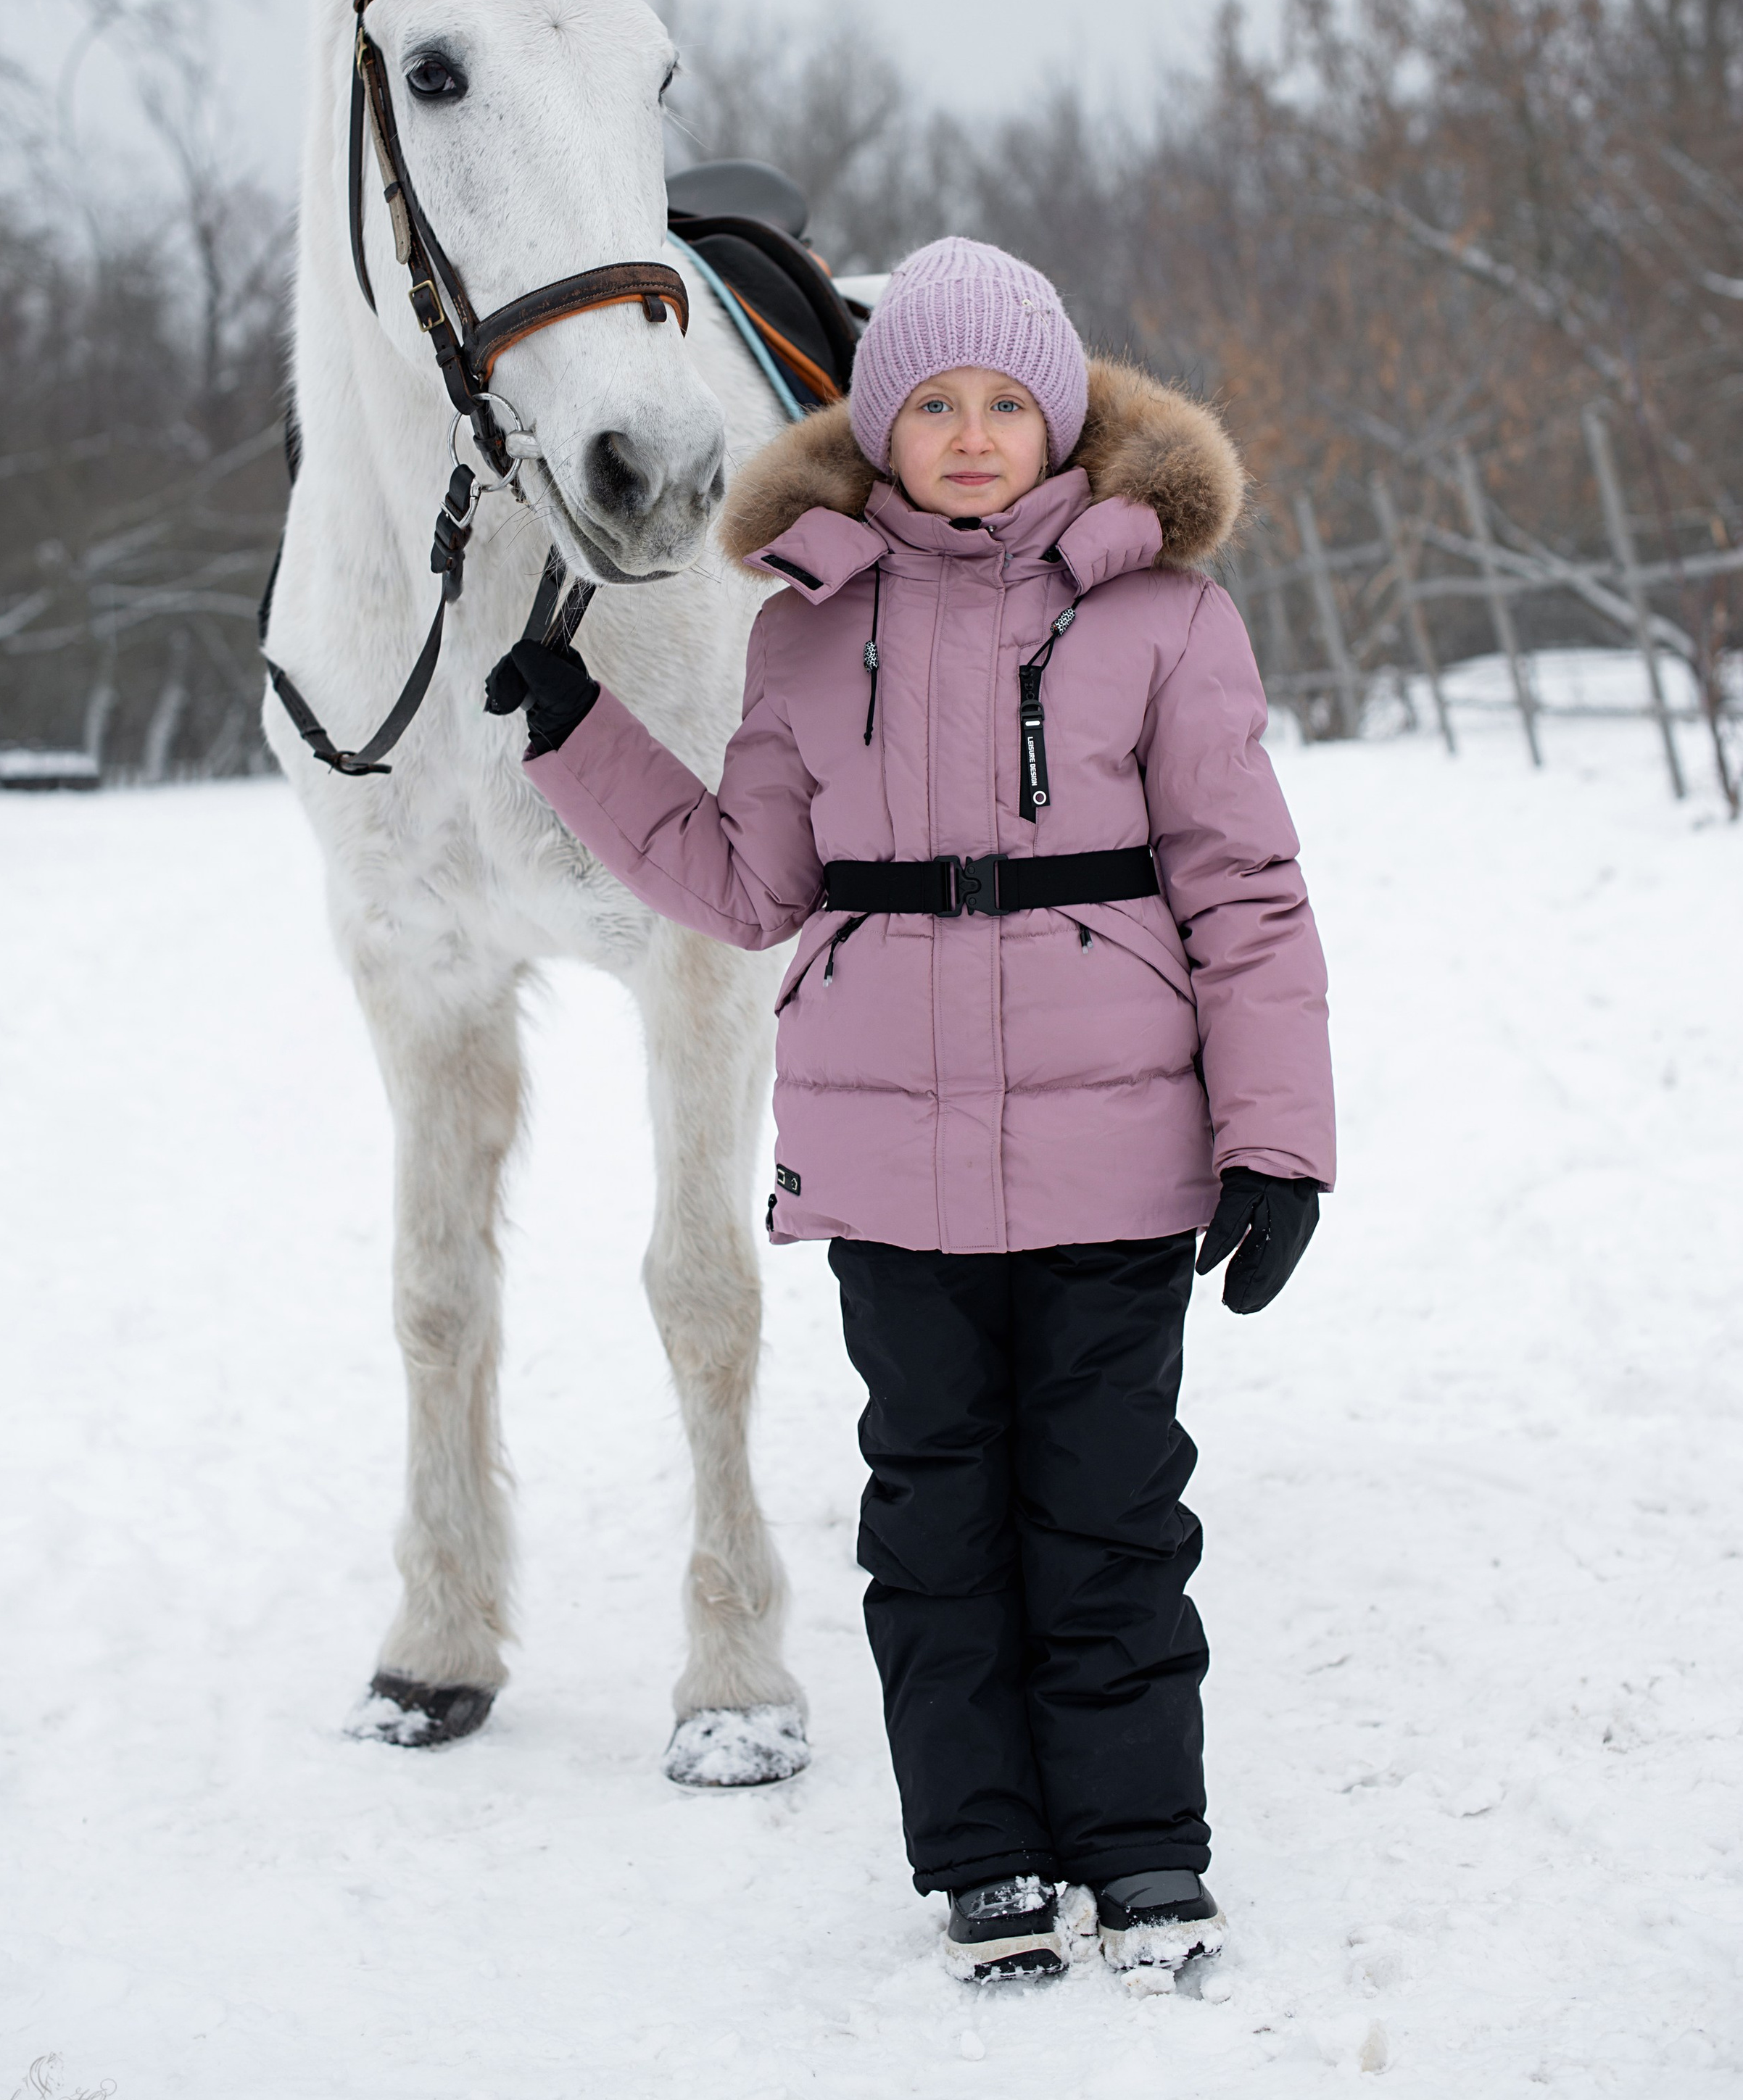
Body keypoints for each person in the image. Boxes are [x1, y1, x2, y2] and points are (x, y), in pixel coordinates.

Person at [510, 237, 1334, 1981]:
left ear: (1061, 420)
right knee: (936, 1524)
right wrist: (581, 732)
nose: (971, 434)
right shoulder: (806, 633)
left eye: (1005, 403)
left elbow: (1246, 892)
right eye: (934, 404)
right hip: (891, 1181)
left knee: (1107, 1518)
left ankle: (1141, 1851)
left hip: (1118, 1170)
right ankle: (982, 1861)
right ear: (881, 430)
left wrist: (1273, 1140)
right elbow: (744, 886)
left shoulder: (1164, 616)